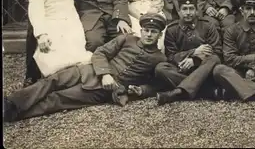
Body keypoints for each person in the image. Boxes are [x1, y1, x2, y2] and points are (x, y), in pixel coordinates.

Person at [3, 13, 170, 122]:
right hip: (89, 71)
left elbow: (156, 84)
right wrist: (105, 73)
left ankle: (14, 114)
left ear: (159, 35)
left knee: (59, 99)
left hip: (105, 89)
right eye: (146, 30)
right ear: (141, 30)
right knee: (51, 81)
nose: (148, 35)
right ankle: (11, 103)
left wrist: (142, 90)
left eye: (153, 32)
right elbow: (100, 53)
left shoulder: (158, 58)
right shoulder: (127, 39)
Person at [156, 0, 222, 104]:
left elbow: (217, 51)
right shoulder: (172, 29)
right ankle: (206, 91)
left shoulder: (207, 26)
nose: (188, 12)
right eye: (184, 9)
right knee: (160, 68)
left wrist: (195, 61)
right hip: (182, 69)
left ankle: (178, 92)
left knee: (214, 58)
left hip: (204, 68)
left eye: (191, 8)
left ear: (197, 10)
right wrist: (193, 52)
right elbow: (171, 56)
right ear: (179, 11)